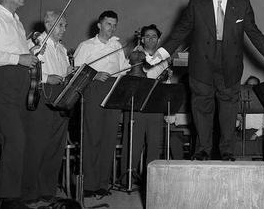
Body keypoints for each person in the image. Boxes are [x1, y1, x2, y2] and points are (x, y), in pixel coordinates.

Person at [147, 0, 264, 161]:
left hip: (230, 67)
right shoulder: (197, 1)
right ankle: (202, 151)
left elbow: (254, 32)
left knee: (228, 111)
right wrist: (162, 53)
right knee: (201, 109)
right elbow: (182, 29)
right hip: (201, 66)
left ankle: (227, 152)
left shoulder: (242, 3)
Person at [0, 0, 39, 208]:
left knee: (25, 139)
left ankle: (21, 194)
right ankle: (8, 199)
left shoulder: (17, 21)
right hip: (2, 82)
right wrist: (20, 58)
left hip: (20, 84)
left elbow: (17, 51)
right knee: (15, 139)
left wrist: (30, 51)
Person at [73, 10, 131, 197]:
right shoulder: (86, 45)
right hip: (94, 89)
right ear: (99, 25)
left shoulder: (117, 45)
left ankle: (102, 184)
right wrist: (94, 74)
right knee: (92, 138)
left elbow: (123, 69)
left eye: (114, 25)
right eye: (108, 24)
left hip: (113, 90)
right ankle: (88, 185)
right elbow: (76, 71)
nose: (112, 28)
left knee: (108, 139)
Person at [20, 11, 72, 205]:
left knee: (54, 147)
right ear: (48, 24)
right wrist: (46, 78)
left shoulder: (62, 49)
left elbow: (64, 73)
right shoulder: (34, 43)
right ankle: (29, 193)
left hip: (60, 97)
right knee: (35, 146)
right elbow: (24, 71)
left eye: (65, 26)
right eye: (60, 25)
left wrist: (69, 75)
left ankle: (47, 190)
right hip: (41, 96)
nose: (64, 29)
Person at [125, 24, 169, 186]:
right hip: (137, 103)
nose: (151, 39)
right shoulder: (135, 55)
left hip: (155, 104)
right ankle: (128, 177)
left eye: (154, 37)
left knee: (154, 143)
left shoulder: (163, 59)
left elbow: (165, 84)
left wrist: (165, 78)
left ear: (158, 39)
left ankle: (152, 180)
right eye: (148, 36)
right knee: (134, 143)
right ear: (142, 39)